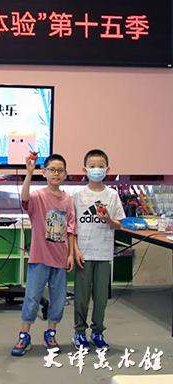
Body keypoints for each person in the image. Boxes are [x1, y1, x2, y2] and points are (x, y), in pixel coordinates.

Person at [11, 154, 76, 356]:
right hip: (39, 257)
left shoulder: (68, 200)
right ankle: (24, 335)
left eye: (60, 170)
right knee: (32, 297)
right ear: (44, 172)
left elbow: (71, 229)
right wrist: (28, 174)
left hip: (60, 258)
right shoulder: (38, 196)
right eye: (52, 170)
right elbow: (24, 199)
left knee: (58, 299)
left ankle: (50, 333)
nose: (56, 173)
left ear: (65, 174)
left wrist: (71, 254)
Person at [72, 149, 124, 351]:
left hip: (103, 254)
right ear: (84, 169)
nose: (96, 169)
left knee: (101, 299)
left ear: (107, 169)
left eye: (100, 166)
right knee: (81, 298)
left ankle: (97, 332)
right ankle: (79, 332)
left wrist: (109, 219)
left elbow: (119, 224)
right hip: (83, 254)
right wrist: (75, 250)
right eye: (92, 166)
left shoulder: (112, 195)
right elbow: (72, 227)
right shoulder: (78, 196)